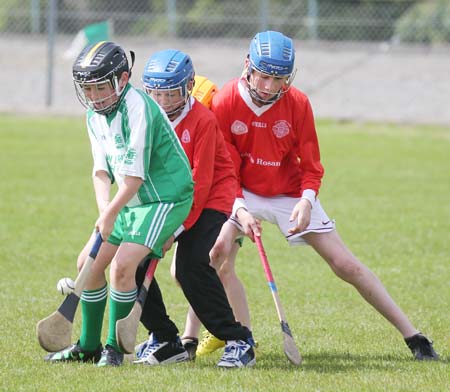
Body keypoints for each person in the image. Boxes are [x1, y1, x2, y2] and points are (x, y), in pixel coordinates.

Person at [208, 30, 439, 361]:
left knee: (345, 264)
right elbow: (225, 169)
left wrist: (306, 200)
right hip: (242, 191)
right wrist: (241, 210)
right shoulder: (226, 100)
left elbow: (312, 166)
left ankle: (414, 337)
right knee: (215, 254)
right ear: (248, 66)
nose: (271, 86)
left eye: (279, 78)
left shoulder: (298, 103)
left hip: (289, 193)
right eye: (264, 76)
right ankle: (223, 340)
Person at [44, 41, 194, 367]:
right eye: (88, 88)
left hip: (164, 198)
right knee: (87, 262)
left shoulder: (137, 106)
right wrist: (104, 211)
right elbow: (101, 171)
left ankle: (115, 349)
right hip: (131, 199)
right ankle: (88, 346)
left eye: (101, 87)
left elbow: (134, 179)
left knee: (122, 266)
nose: (94, 95)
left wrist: (112, 212)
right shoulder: (94, 115)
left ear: (123, 79)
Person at [133, 49, 256, 368]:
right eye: (155, 92)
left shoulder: (202, 120)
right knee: (131, 259)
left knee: (191, 266)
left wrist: (173, 230)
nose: (162, 100)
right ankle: (165, 338)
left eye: (170, 92)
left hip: (212, 196)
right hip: (169, 196)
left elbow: (199, 185)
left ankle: (238, 339)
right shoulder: (144, 115)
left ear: (187, 87)